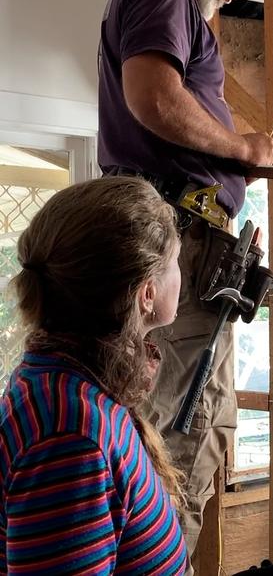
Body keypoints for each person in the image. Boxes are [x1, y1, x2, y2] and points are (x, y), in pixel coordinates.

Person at [97, 0, 273, 567]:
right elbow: (153, 97)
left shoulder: (168, 5)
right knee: (174, 439)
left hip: (194, 244)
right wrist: (240, 146)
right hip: (184, 240)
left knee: (200, 435)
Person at [0, 176, 187, 574]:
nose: (180, 274)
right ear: (147, 293)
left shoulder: (71, 381)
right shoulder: (70, 434)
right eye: (175, 262)